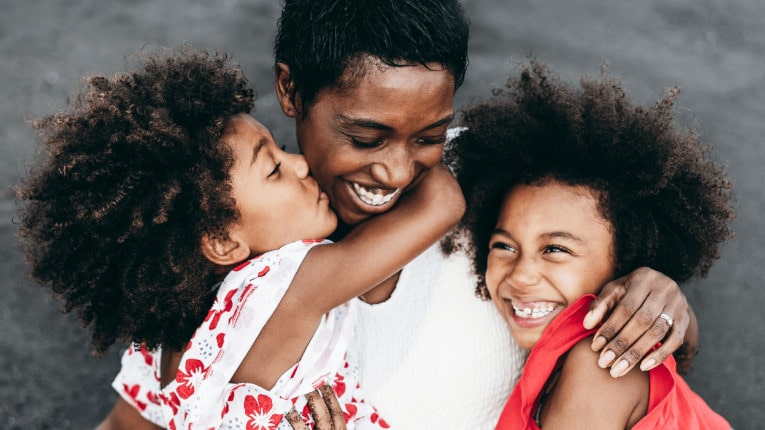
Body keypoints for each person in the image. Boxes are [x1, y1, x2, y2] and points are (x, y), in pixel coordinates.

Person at [97, 0, 700, 428]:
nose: (395, 171)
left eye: (428, 135)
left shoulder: (508, 195)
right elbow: (132, 423)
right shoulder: (205, 255)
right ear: (290, 89)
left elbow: (633, 357)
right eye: (364, 136)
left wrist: (662, 298)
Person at [15, 46, 465, 429]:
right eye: (273, 169)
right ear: (223, 242)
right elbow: (442, 204)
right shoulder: (287, 286)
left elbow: (119, 425)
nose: (302, 165)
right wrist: (414, 129)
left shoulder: (163, 340)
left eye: (281, 151)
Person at [445, 60, 733, 429]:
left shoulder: (602, 364)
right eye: (504, 246)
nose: (520, 275)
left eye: (555, 250)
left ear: (624, 263)